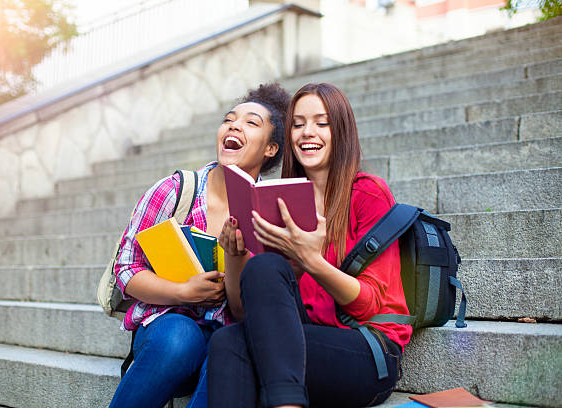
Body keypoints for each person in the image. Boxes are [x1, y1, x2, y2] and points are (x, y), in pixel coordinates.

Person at [209, 83, 413, 408]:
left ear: (341, 130)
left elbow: (371, 305)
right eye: (298, 123)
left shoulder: (367, 193)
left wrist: (310, 260)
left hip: (366, 347)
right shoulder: (277, 202)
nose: (308, 132)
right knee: (227, 338)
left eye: (322, 122)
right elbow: (244, 312)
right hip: (299, 342)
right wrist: (234, 257)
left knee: (241, 342)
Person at [108, 83, 291, 408]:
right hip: (166, 332)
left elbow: (248, 309)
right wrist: (183, 293)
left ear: (271, 149)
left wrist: (235, 266)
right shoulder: (175, 190)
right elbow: (125, 269)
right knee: (181, 337)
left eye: (252, 122)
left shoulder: (270, 214)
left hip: (226, 337)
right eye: (229, 119)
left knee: (233, 348)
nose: (234, 125)